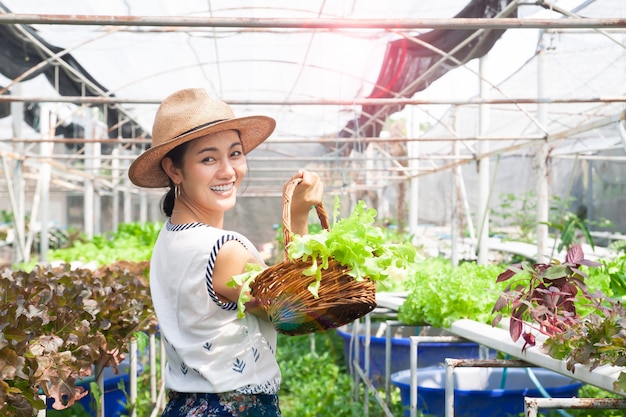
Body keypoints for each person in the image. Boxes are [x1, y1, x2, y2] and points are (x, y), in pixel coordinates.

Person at [128, 88, 324, 417]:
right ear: (175, 170)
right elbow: (297, 311)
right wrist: (300, 215)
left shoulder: (171, 238)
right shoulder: (224, 250)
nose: (228, 171)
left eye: (235, 153)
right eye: (208, 158)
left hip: (183, 405)